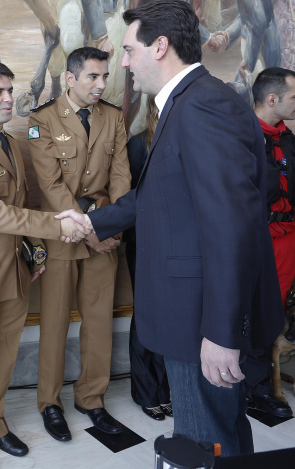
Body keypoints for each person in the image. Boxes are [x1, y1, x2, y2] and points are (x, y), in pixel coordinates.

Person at [71, 0, 284, 456]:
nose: (123, 63)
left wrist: (222, 332)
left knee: (207, 440)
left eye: (129, 50)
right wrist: (91, 220)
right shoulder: (191, 101)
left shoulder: (202, 106)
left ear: (160, 46)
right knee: (209, 436)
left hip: (201, 322)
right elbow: (162, 194)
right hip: (191, 315)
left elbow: (231, 223)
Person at [0, 61, 91, 469]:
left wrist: (36, 251)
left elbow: (19, 205)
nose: (9, 98)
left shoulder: (8, 142)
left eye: (10, 90)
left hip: (13, 270)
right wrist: (57, 225)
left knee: (3, 353)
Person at [28, 47, 132, 441]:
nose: (102, 84)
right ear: (70, 78)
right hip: (64, 234)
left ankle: (92, 398)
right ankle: (49, 402)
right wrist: (92, 230)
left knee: (99, 320)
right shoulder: (42, 120)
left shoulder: (113, 117)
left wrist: (111, 224)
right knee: (55, 322)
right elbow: (51, 185)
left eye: (105, 76)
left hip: (106, 233)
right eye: (93, 76)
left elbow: (121, 177)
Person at [244, 67, 295, 417]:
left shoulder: (288, 139)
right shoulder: (240, 135)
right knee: (244, 315)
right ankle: (244, 387)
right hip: (250, 241)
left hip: (285, 243)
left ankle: (260, 389)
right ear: (272, 99)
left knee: (271, 317)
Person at [125, 95, 172, 420]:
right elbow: (130, 198)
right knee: (146, 313)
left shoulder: (186, 140)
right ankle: (145, 391)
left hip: (176, 244)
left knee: (171, 315)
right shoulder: (138, 144)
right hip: (144, 242)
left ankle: (165, 388)